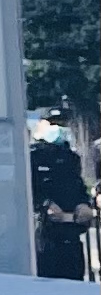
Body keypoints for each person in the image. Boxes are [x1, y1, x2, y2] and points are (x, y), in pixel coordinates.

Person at [33, 113, 92, 282]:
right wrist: (45, 204)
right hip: (46, 235)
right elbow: (30, 190)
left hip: (71, 231)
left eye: (62, 124)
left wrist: (83, 204)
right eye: (53, 124)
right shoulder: (34, 157)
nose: (59, 128)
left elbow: (77, 186)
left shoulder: (70, 158)